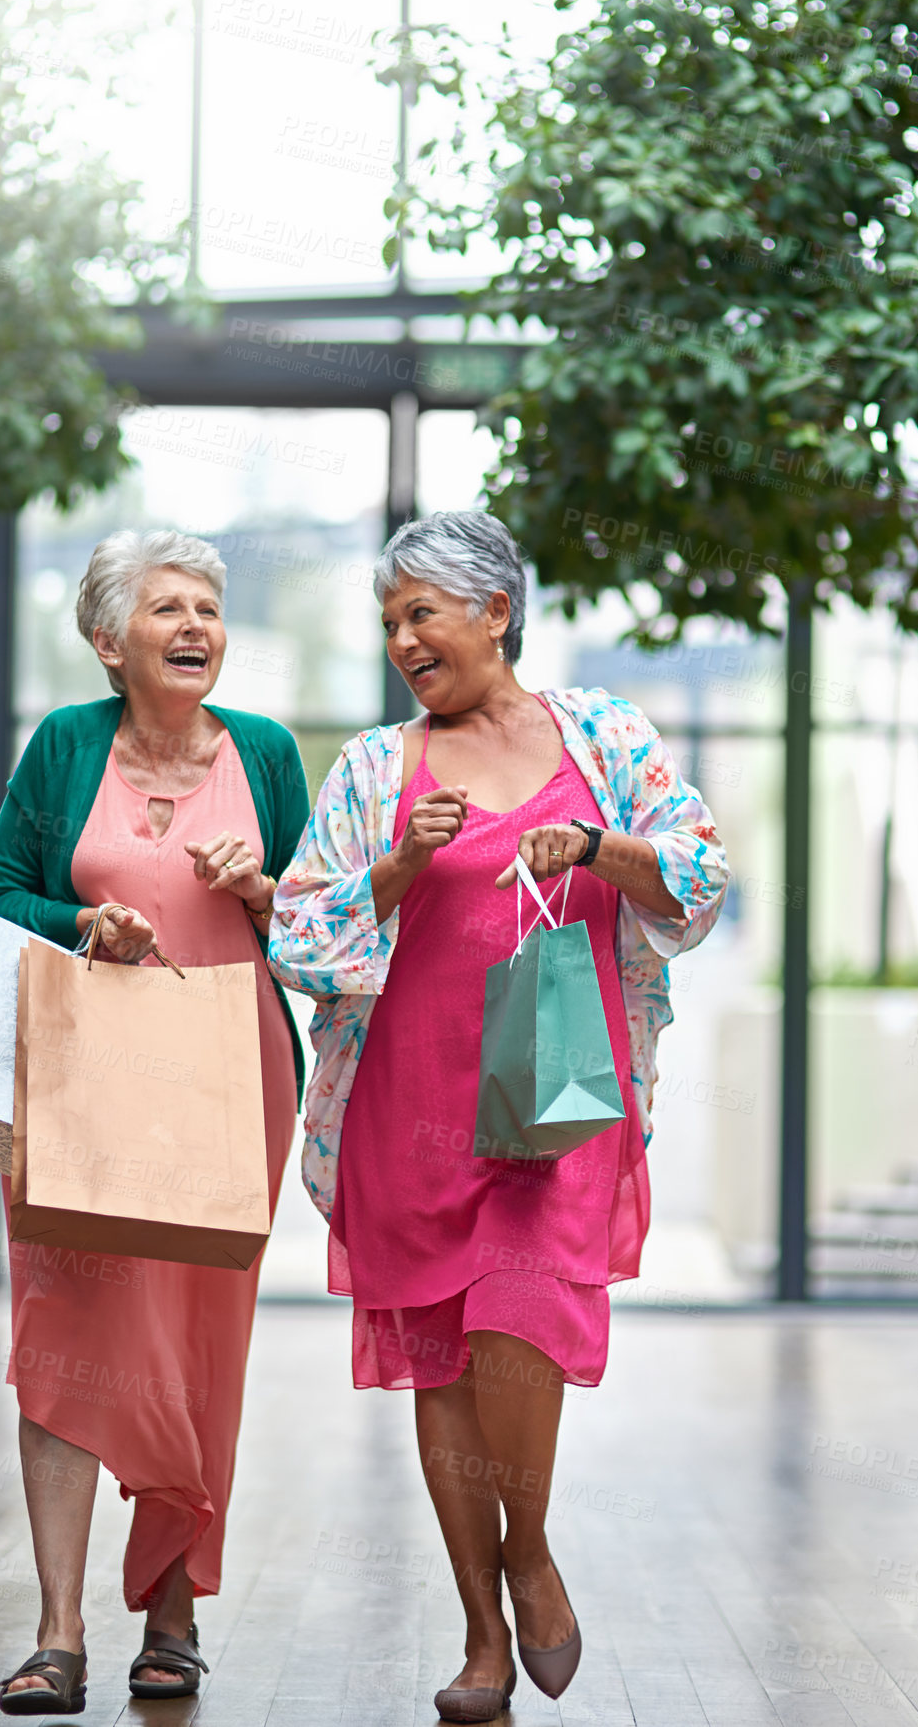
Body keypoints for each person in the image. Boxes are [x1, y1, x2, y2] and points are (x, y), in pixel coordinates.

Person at [267, 510, 729, 1724]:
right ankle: (481, 1633)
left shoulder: (604, 734)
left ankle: (528, 1551)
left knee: (520, 1318)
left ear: (494, 610)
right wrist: (395, 871)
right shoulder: (376, 766)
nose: (403, 640)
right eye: (388, 623)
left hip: (555, 1085)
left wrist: (602, 845)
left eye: (422, 612)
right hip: (407, 1100)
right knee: (439, 1360)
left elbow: (699, 873)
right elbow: (299, 931)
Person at [0, 529, 308, 1715]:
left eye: (209, 606)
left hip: (230, 1081)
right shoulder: (66, 743)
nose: (194, 625)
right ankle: (57, 1628)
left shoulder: (263, 753)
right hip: (82, 1080)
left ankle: (172, 1619)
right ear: (110, 640)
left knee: (195, 1350)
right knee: (63, 1321)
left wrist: (264, 888)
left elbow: (319, 934)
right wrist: (83, 919)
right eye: (167, 606)